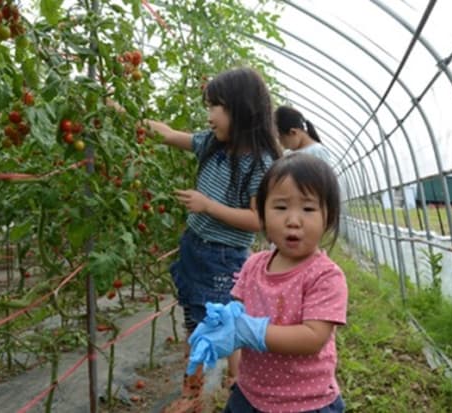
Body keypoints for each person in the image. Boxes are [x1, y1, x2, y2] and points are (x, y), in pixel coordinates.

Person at [144, 67, 281, 412]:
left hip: (223, 257)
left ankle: (199, 391)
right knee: (206, 317)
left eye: (215, 107)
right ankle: (221, 384)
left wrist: (208, 206)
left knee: (214, 323)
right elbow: (171, 135)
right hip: (196, 247)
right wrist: (129, 115)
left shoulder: (259, 162)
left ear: (240, 108)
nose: (209, 116)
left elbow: (257, 221)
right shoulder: (213, 144)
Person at [187, 152, 348, 413]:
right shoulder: (253, 265)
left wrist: (251, 331)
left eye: (308, 209)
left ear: (328, 217)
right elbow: (237, 318)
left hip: (305, 402)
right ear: (262, 214)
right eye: (280, 207)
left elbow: (312, 338)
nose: (293, 220)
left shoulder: (325, 276)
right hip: (249, 394)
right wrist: (225, 341)